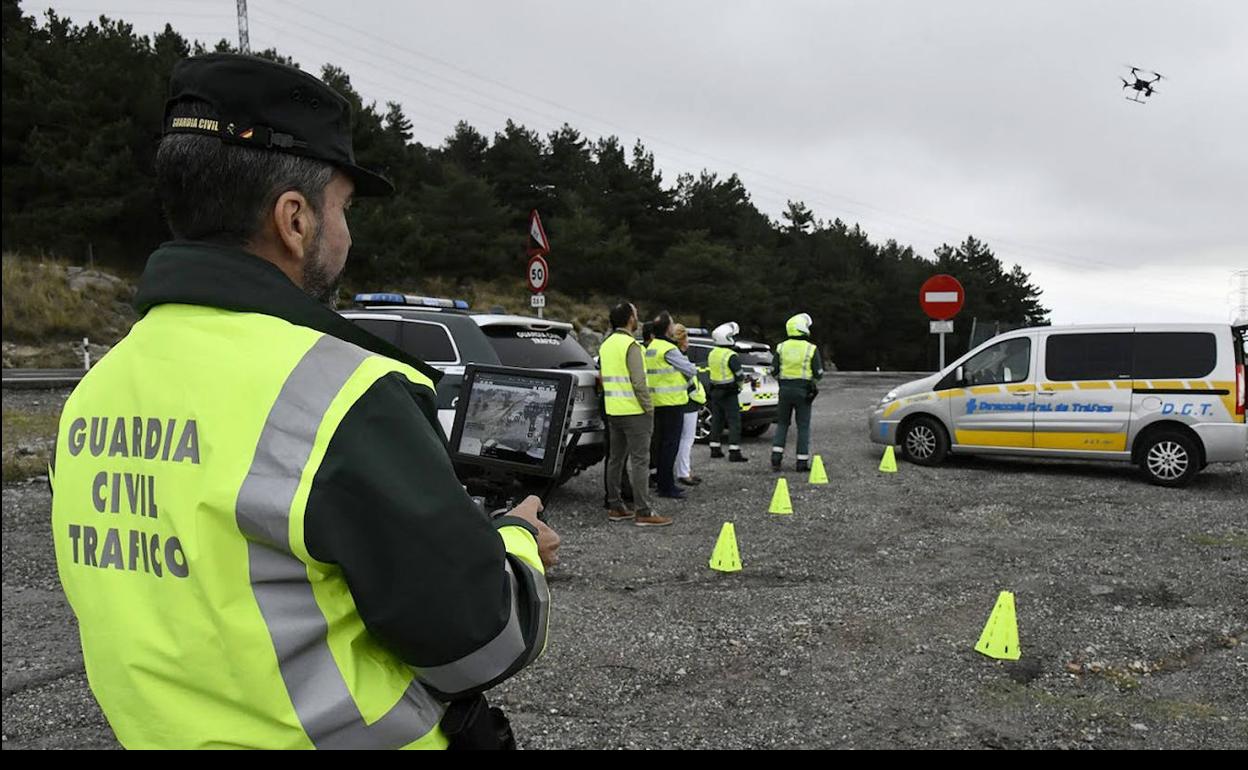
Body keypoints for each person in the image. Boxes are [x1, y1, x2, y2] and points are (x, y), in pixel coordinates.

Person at [49, 54, 558, 750]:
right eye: (342, 210)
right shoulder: (345, 395)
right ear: (294, 220)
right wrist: (516, 542)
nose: (346, 234)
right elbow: (482, 641)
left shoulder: (95, 391)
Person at [600, 302, 670, 527]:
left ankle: (616, 506)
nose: (638, 318)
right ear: (630, 319)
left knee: (615, 459)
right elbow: (639, 382)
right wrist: (648, 407)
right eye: (636, 315)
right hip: (635, 411)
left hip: (613, 409)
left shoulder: (606, 344)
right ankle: (643, 511)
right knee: (640, 461)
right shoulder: (631, 345)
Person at [644, 312, 697, 500]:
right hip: (672, 403)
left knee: (659, 445)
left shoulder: (651, 347)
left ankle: (660, 481)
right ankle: (667, 486)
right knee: (670, 446)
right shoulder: (668, 349)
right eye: (672, 324)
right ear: (668, 328)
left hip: (656, 402)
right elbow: (690, 369)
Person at [771, 312, 825, 472]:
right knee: (803, 426)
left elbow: (773, 370)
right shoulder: (811, 348)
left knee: (782, 424)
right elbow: (819, 374)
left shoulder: (781, 347)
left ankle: (776, 459)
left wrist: (783, 381)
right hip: (803, 391)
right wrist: (810, 384)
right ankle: (801, 462)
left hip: (784, 390)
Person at [706, 321, 750, 462]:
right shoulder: (730, 355)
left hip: (715, 391)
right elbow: (739, 375)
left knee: (717, 420)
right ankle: (734, 451)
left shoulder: (712, 353)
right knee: (734, 421)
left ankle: (715, 448)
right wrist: (741, 385)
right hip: (729, 392)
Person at [671, 324, 705, 487]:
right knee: (686, 438)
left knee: (680, 439)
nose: (689, 344)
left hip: (680, 401)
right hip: (687, 402)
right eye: (687, 340)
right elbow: (691, 381)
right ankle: (683, 472)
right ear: (682, 340)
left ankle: (683, 470)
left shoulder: (674, 356)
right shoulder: (680, 359)